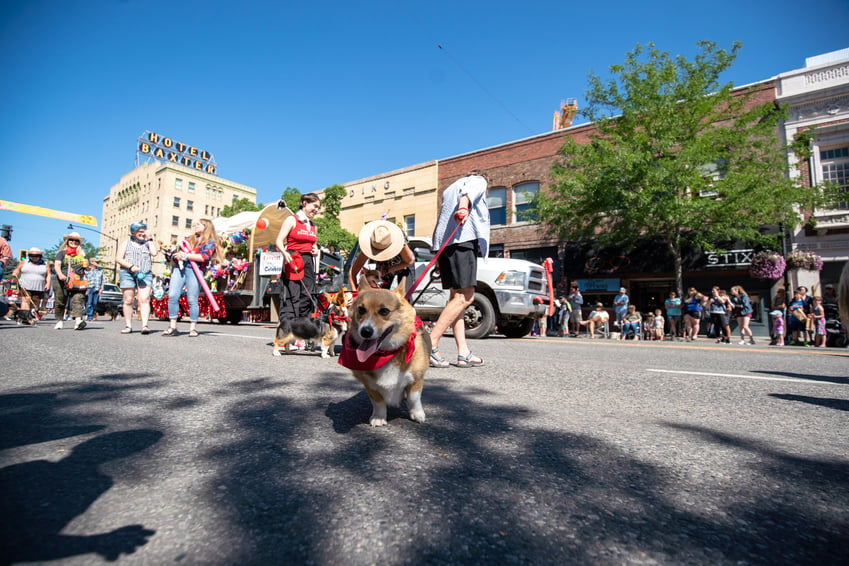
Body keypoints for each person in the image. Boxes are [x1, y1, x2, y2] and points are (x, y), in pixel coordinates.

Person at [428, 173, 490, 368]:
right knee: (466, 297)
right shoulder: (477, 180)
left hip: (444, 244)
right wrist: (464, 207)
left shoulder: (449, 189)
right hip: (462, 240)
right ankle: (430, 343)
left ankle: (463, 352)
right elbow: (468, 193)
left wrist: (437, 255)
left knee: (456, 298)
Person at [164, 219, 222, 337]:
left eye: (199, 224)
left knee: (192, 299)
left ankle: (193, 328)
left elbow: (204, 257)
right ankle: (173, 326)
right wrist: (172, 255)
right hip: (179, 268)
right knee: (172, 295)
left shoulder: (210, 242)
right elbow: (178, 253)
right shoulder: (188, 240)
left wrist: (185, 255)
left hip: (195, 270)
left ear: (206, 227)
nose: (196, 226)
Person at [276, 193, 321, 324]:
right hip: (293, 258)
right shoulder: (292, 219)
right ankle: (287, 332)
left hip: (308, 261)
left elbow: (313, 243)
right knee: (292, 295)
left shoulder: (313, 225)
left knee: (307, 295)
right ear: (304, 203)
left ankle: (301, 330)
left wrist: (316, 249)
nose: (316, 210)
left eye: (318, 208)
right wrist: (285, 253)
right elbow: (279, 240)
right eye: (315, 206)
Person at [115, 222, 159, 335]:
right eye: (140, 231)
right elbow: (118, 258)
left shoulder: (147, 243)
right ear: (133, 232)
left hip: (145, 273)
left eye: (144, 231)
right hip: (128, 273)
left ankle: (145, 325)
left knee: (144, 299)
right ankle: (128, 325)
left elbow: (154, 253)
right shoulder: (126, 243)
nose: (142, 233)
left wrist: (150, 239)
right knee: (128, 300)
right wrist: (131, 267)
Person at [349, 219, 414, 290]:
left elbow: (409, 261)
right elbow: (353, 272)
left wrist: (388, 270)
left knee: (404, 294)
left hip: (404, 266)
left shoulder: (400, 238)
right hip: (383, 268)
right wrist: (354, 294)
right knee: (380, 294)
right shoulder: (370, 243)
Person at [52, 231, 88, 330]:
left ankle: (78, 321)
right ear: (67, 241)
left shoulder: (83, 254)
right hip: (63, 279)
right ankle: (59, 320)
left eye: (76, 240)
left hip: (78, 280)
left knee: (78, 300)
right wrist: (60, 274)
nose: (74, 242)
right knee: (60, 301)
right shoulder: (62, 253)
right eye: (71, 240)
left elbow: (88, 268)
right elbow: (57, 265)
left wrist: (87, 266)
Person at [11, 247, 51, 325]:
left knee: (35, 301)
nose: (34, 257)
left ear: (40, 256)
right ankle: (25, 317)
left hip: (39, 286)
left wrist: (48, 283)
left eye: (36, 256)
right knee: (26, 300)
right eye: (32, 255)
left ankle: (32, 317)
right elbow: (17, 270)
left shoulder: (45, 264)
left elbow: (48, 274)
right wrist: (15, 273)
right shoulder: (24, 262)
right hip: (25, 285)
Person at [84, 258, 105, 322]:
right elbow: (85, 278)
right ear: (92, 262)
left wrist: (101, 288)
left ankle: (93, 314)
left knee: (95, 303)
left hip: (97, 288)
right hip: (90, 287)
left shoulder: (100, 271)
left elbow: (102, 280)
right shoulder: (88, 270)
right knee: (89, 302)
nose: (97, 263)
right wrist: (85, 288)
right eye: (96, 262)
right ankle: (89, 315)